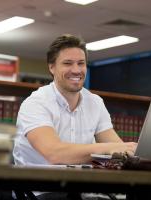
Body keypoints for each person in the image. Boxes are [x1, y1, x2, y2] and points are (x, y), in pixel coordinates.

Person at [12, 34, 137, 199]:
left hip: (81, 188)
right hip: (40, 190)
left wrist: (130, 151)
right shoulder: (35, 103)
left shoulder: (95, 103)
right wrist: (107, 149)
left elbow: (117, 147)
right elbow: (54, 153)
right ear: (52, 67)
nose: (76, 70)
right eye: (67, 63)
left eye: (81, 63)